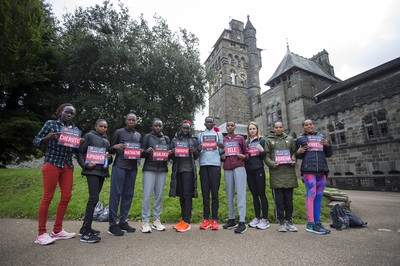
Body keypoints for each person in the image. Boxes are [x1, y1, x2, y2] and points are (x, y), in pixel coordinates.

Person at [33, 103, 81, 245]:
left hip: (67, 166)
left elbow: (75, 148)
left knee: (66, 196)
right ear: (60, 112)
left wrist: (80, 142)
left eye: (72, 113)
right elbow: (36, 141)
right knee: (47, 197)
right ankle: (41, 234)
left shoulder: (75, 129)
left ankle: (57, 230)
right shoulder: (51, 124)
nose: (70, 115)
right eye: (67, 112)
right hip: (52, 163)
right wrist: (48, 138)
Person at [77, 119, 112, 243]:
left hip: (102, 172)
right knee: (93, 198)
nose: (103, 128)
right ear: (95, 126)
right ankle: (86, 231)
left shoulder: (106, 141)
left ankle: (85, 228)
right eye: (101, 126)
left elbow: (108, 158)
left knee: (95, 198)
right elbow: (80, 153)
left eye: (105, 126)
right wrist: (85, 165)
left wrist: (109, 158)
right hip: (91, 172)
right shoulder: (88, 136)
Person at [295, 119, 333, 235]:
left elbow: (329, 154)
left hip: (321, 169)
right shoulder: (301, 139)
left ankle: (317, 222)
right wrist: (299, 152)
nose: (309, 126)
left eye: (310, 124)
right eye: (306, 125)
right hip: (309, 170)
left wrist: (328, 145)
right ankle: (310, 224)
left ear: (313, 125)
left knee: (319, 196)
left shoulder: (321, 137)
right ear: (303, 127)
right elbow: (298, 156)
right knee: (311, 194)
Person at [107, 113, 141, 236]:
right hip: (120, 166)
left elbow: (138, 150)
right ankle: (112, 224)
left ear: (136, 121)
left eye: (134, 120)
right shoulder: (119, 132)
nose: (131, 121)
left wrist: (140, 152)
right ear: (125, 120)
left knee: (128, 194)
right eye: (129, 119)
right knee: (115, 194)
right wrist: (115, 147)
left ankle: (123, 221)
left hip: (132, 168)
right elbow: (110, 149)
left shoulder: (138, 135)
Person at [264, 121, 298, 232]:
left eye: (280, 127)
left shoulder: (290, 139)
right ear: (273, 128)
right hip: (276, 173)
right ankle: (281, 222)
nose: (278, 129)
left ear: (283, 128)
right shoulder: (269, 140)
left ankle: (289, 220)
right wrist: (272, 164)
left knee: (289, 200)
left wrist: (293, 160)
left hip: (289, 173)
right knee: (279, 200)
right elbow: (266, 156)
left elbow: (294, 152)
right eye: (276, 127)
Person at [140, 118, 171, 233]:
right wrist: (146, 152)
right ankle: (145, 221)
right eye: (156, 125)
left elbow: (169, 153)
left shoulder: (166, 138)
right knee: (147, 195)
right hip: (149, 168)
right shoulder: (147, 137)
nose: (158, 127)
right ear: (152, 126)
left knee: (159, 195)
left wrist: (170, 153)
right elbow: (141, 153)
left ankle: (157, 220)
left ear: (162, 127)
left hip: (162, 169)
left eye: (160, 126)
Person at [169, 120, 199, 232]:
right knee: (181, 195)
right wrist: (172, 152)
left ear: (190, 129)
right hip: (178, 171)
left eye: (187, 128)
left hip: (189, 171)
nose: (185, 130)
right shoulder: (175, 140)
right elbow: (170, 156)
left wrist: (194, 151)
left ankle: (187, 221)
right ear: (180, 128)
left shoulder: (193, 140)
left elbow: (196, 156)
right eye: (183, 128)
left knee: (187, 195)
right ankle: (183, 219)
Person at [221, 121, 248, 234]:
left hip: (239, 167)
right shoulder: (223, 140)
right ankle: (232, 219)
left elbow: (247, 154)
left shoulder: (240, 138)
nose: (230, 127)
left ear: (235, 127)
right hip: (227, 168)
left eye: (232, 125)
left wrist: (243, 156)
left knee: (241, 193)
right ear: (226, 128)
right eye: (228, 126)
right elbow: (221, 154)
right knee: (229, 194)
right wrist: (222, 157)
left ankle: (242, 221)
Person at [197, 116, 224, 230]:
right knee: (205, 193)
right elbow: (198, 150)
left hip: (215, 165)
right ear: (204, 124)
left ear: (214, 123)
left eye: (211, 122)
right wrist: (199, 148)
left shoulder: (219, 135)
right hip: (203, 165)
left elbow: (222, 151)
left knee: (215, 193)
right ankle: (206, 219)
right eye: (207, 122)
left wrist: (221, 147)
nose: (209, 123)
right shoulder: (200, 135)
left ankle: (215, 219)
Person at [245, 121, 270, 230]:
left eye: (253, 129)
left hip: (258, 169)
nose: (252, 131)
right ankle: (257, 217)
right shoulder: (246, 143)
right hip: (249, 170)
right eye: (250, 129)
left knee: (261, 194)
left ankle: (265, 219)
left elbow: (265, 155)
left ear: (257, 129)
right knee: (254, 195)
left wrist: (262, 150)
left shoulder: (262, 140)